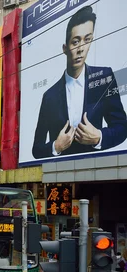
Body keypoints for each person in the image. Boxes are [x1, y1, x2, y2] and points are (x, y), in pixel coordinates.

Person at [31, 6, 127, 160]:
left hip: (99, 165)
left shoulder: (104, 77)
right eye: (75, 42)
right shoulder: (49, 96)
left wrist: (99, 137)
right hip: (60, 170)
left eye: (87, 40)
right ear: (65, 48)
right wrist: (56, 146)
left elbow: (122, 127)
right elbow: (37, 148)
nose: (81, 49)